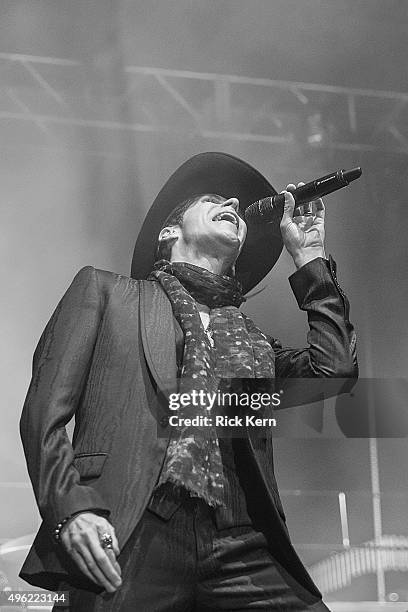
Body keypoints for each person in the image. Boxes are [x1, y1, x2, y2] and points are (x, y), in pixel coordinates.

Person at [19, 152, 358, 611]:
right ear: (169, 231)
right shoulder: (108, 293)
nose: (235, 203)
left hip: (242, 538)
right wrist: (70, 508)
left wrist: (309, 257)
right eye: (216, 199)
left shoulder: (252, 341)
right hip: (132, 523)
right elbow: (45, 413)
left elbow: (332, 371)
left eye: (236, 206)